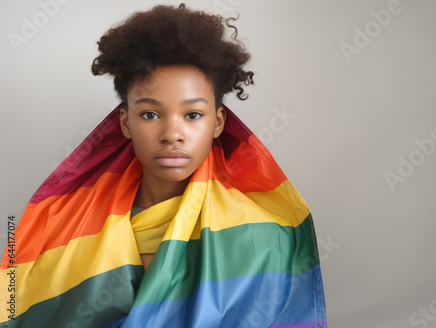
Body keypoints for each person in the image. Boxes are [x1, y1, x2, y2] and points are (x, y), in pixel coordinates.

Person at [0, 4, 327, 327]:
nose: (172, 134)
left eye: (193, 115)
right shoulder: (66, 225)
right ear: (125, 123)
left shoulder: (263, 237)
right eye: (150, 114)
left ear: (218, 122)